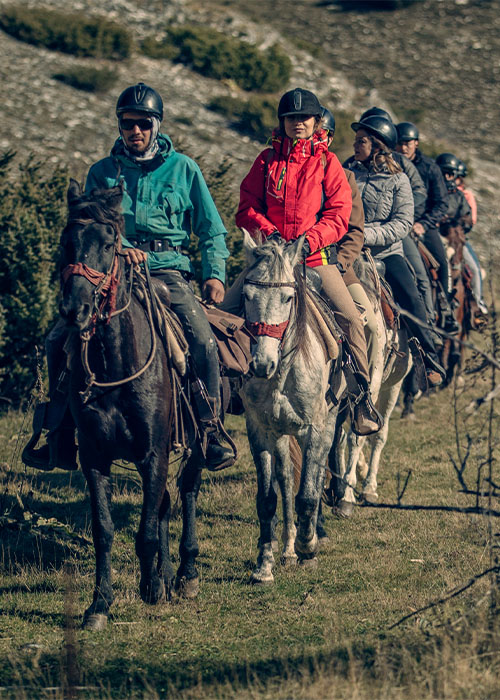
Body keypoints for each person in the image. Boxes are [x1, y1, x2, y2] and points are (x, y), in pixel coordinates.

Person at [23, 82, 234, 472]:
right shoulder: (101, 172)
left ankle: (209, 429)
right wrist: (120, 248)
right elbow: (88, 229)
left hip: (169, 273)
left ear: (157, 126)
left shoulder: (184, 169)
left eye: (142, 124)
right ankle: (57, 433)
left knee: (203, 342)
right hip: (113, 275)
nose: (134, 131)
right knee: (58, 339)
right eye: (126, 124)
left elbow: (211, 230)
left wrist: (215, 275)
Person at [235, 87, 382, 435]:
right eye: (291, 117)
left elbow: (337, 215)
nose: (298, 123)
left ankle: (361, 399)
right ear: (282, 122)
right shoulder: (265, 161)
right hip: (271, 261)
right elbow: (247, 207)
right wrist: (269, 234)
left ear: (316, 122)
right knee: (225, 313)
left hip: (314, 260)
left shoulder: (328, 163)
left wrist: (307, 243)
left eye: (304, 118)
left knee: (351, 320)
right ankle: (218, 398)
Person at [347, 115, 445, 387]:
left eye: (361, 141)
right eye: (356, 140)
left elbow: (401, 223)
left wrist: (365, 234)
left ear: (377, 145)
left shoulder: (398, 180)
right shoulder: (348, 173)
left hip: (387, 254)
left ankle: (428, 357)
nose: (355, 145)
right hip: (349, 252)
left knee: (412, 297)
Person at [321, 106, 379, 373]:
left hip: (335, 264)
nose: (315, 139)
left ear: (329, 138)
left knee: (369, 326)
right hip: (288, 261)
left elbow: (355, 231)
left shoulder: (345, 176)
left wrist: (341, 263)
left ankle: (363, 396)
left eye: (322, 134)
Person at [395, 122, 459, 334]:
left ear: (416, 144)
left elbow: (442, 204)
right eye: (399, 143)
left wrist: (423, 224)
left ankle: (445, 310)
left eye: (407, 143)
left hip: (423, 223)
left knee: (441, 262)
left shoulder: (431, 168)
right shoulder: (391, 163)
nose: (403, 148)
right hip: (396, 224)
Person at [436, 153, 487, 318]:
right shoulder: (433, 191)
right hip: (435, 235)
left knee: (474, 268)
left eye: (452, 174)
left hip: (456, 238)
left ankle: (479, 304)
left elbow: (469, 219)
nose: (449, 178)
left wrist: (452, 223)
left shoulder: (462, 196)